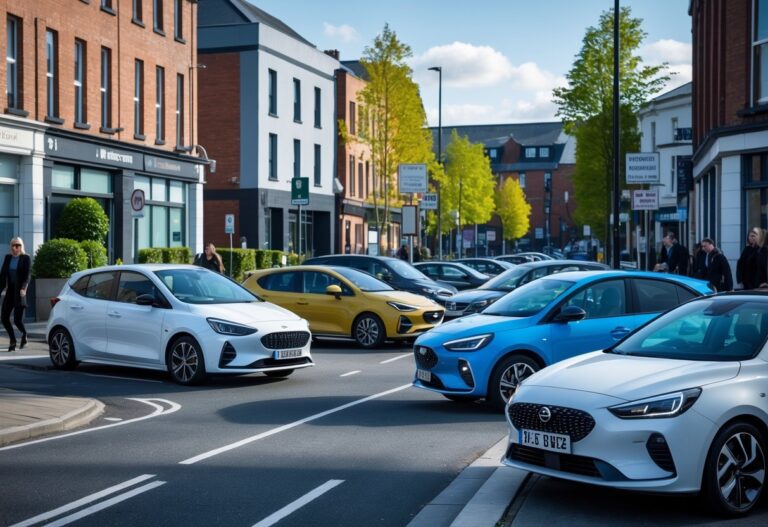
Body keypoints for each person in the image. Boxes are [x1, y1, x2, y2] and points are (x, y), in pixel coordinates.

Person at [0, 237, 31, 351]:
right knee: (4, 318)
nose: (15, 247)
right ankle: (12, 340)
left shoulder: (25, 258)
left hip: (20, 292)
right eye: (13, 245)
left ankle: (24, 334)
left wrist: (24, 289)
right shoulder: (8, 258)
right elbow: (2, 277)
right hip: (10, 291)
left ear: (21, 246)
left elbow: (27, 276)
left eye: (17, 245)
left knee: (17, 320)